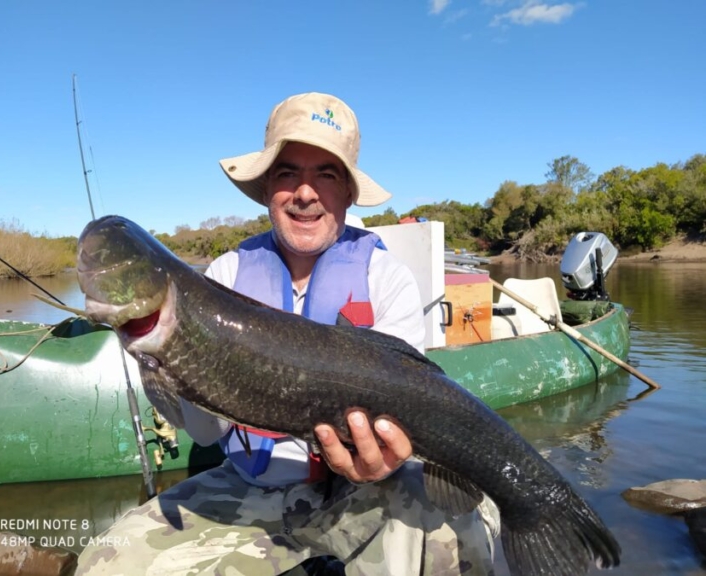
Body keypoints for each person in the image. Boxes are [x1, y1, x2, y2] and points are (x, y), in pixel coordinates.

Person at [76, 92, 499, 575]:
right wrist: (163, 352)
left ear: (347, 192)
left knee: (460, 529)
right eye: (286, 173)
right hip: (249, 488)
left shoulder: (388, 278)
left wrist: (384, 461)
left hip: (367, 490)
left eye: (326, 173)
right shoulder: (225, 274)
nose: (305, 192)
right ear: (266, 190)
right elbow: (205, 430)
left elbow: (407, 419)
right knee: (107, 564)